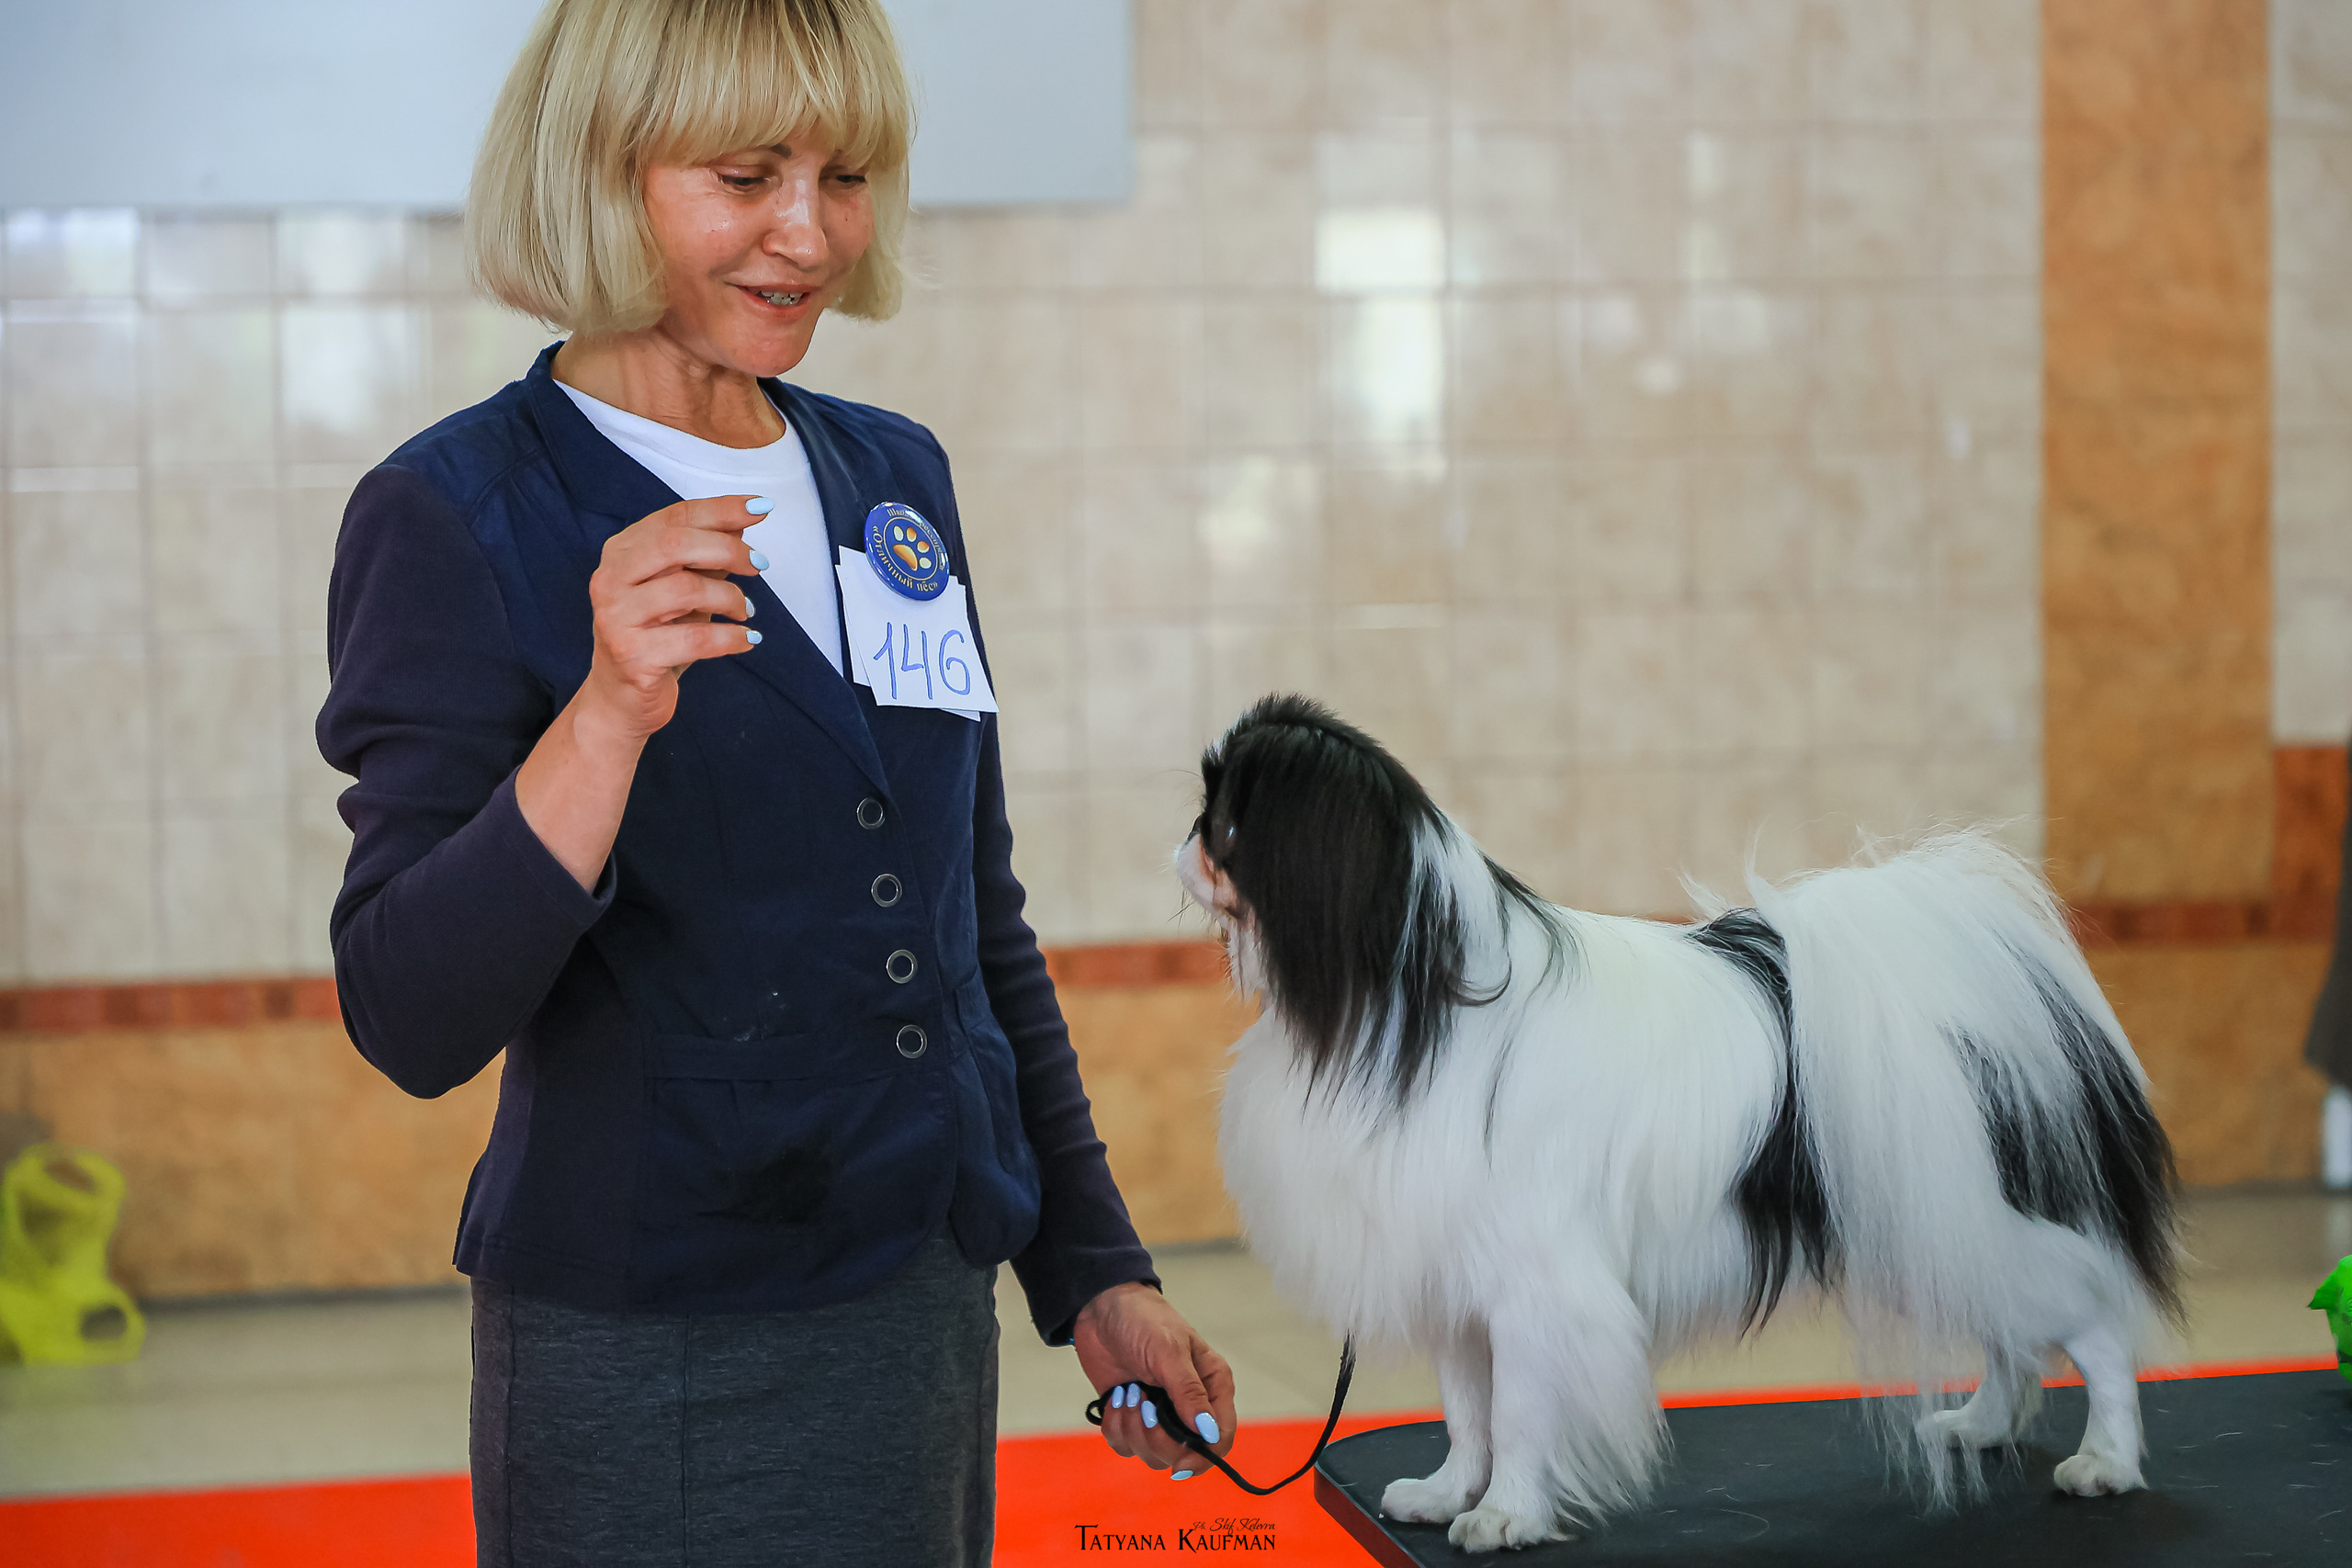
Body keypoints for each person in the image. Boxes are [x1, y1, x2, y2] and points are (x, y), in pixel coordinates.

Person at [315, 2, 1235, 1562]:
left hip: (917, 1308)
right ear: (604, 177)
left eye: (846, 176)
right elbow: (407, 1012)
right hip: (652, 1346)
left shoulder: (894, 479)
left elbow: (967, 918)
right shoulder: (454, 514)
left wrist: (1091, 1267)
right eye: (747, 177)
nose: (807, 234)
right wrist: (605, 717)